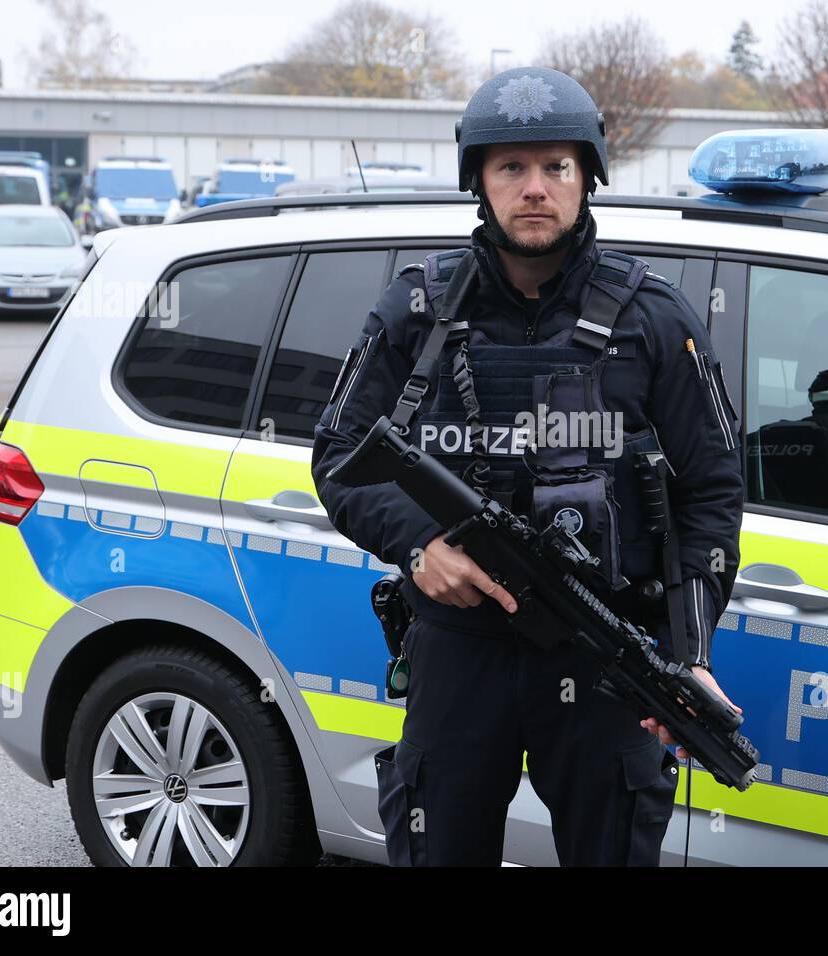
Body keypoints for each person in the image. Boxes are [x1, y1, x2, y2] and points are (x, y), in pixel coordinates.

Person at [311, 66, 745, 866]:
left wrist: (689, 655)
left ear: (588, 180)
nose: (535, 188)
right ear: (479, 181)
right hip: (457, 648)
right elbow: (340, 454)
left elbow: (711, 495)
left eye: (556, 167)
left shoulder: (656, 319)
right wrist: (419, 545)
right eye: (511, 167)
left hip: (601, 647)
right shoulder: (414, 311)